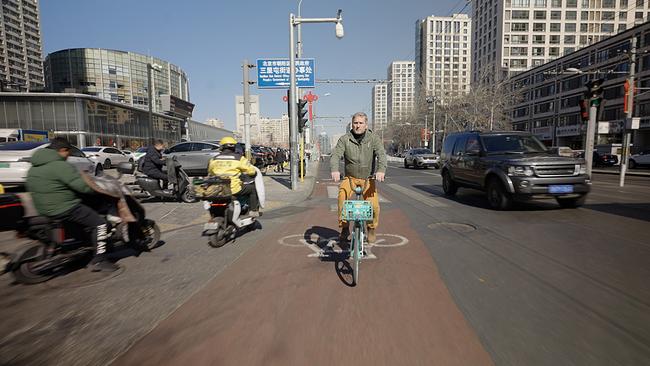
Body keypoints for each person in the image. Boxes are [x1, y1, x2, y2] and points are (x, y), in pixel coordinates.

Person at [26, 137, 118, 272]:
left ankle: (82, 245)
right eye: (68, 152)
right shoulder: (59, 165)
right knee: (101, 224)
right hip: (65, 207)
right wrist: (99, 191)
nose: (69, 155)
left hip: (43, 208)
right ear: (63, 150)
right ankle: (99, 260)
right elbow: (82, 187)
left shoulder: (34, 167)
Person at [330, 112, 387, 244]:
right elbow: (335, 155)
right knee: (341, 198)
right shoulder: (345, 139)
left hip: (368, 179)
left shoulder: (373, 139)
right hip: (350, 178)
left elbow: (381, 155)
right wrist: (335, 170)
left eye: (361, 123)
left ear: (366, 125)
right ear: (352, 124)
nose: (358, 126)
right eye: (355, 123)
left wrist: (381, 170)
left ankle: (371, 229)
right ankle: (344, 228)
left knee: (374, 206)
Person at [207, 136, 261, 217]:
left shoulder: (214, 159)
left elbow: (210, 172)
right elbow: (251, 171)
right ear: (234, 147)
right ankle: (253, 211)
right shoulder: (239, 158)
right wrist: (253, 174)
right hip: (233, 189)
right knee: (252, 189)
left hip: (217, 189)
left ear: (221, 147)